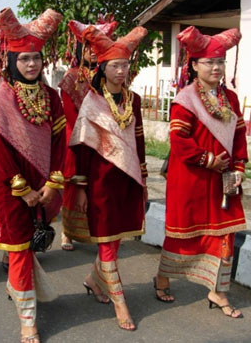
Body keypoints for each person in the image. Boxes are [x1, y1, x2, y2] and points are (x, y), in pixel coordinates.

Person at [0, 7, 65, 343]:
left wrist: (53, 181)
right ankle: (28, 321)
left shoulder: (52, 97)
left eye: (37, 59)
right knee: (17, 248)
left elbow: (59, 142)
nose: (32, 65)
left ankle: (20, 290)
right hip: (10, 187)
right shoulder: (0, 99)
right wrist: (22, 188)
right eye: (25, 59)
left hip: (45, 183)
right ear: (12, 62)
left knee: (31, 246)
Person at [155, 26, 247, 318]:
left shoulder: (230, 99)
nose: (216, 68)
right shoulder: (185, 99)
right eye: (209, 62)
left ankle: (218, 291)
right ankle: (162, 278)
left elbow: (239, 136)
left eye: (220, 62)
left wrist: (239, 166)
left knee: (226, 234)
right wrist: (208, 160)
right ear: (194, 65)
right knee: (182, 233)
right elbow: (179, 140)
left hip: (224, 179)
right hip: (192, 178)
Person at [65, 24, 148, 332]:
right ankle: (120, 302)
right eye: (115, 66)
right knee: (107, 243)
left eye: (125, 65)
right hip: (100, 182)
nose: (121, 71)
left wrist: (144, 180)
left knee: (117, 241)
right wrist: (82, 188)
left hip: (127, 179)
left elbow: (139, 142)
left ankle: (94, 281)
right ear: (103, 68)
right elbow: (83, 151)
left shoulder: (134, 101)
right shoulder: (92, 101)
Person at [58, 17, 118, 251]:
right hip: (77, 137)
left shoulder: (109, 77)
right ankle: (67, 232)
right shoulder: (71, 77)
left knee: (99, 185)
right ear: (81, 49)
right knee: (73, 185)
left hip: (106, 138)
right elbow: (69, 113)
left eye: (99, 49)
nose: (94, 54)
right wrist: (89, 134)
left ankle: (95, 228)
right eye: (90, 49)